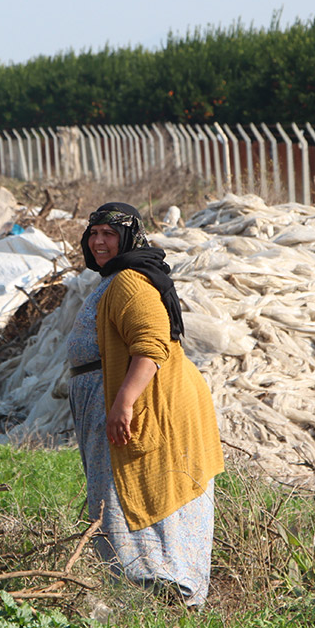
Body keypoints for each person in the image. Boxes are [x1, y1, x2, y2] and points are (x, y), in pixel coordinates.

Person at [67, 202, 225, 606]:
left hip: (143, 403)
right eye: (94, 233)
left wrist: (123, 402)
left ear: (129, 237)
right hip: (121, 399)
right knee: (123, 493)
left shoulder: (129, 283)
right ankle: (146, 588)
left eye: (109, 233)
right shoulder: (117, 278)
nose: (99, 241)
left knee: (136, 494)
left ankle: (161, 590)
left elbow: (151, 346)